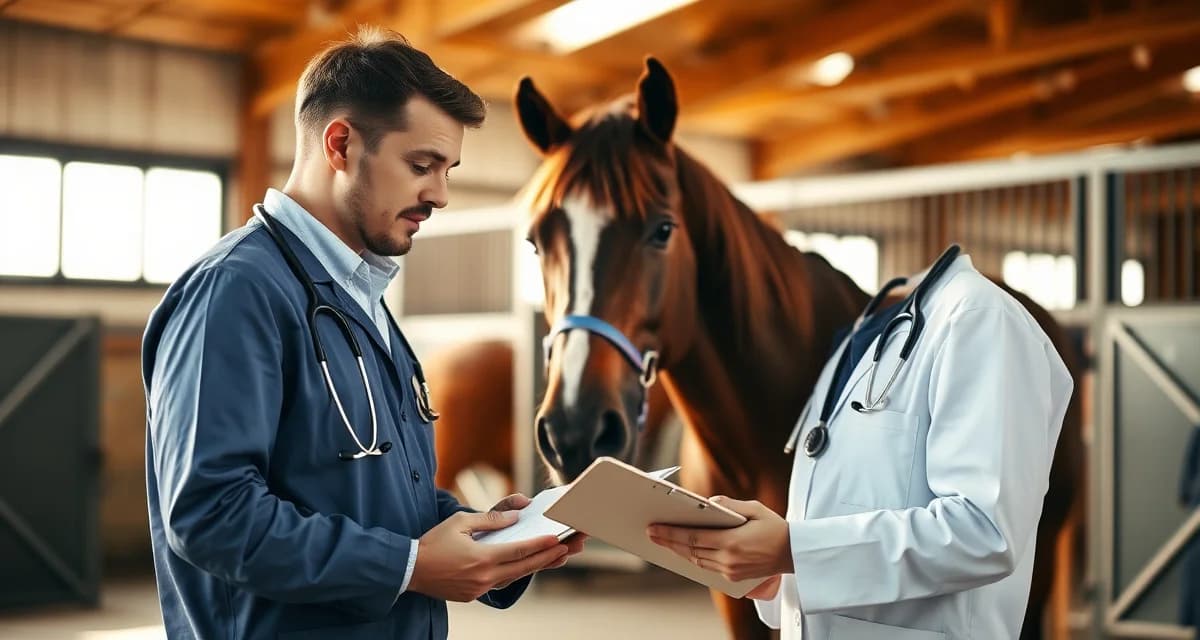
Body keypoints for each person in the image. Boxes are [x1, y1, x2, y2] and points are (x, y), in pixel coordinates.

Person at [142, 27, 583, 640]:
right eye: (421, 166)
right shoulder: (236, 290)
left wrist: (492, 534)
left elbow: (372, 490)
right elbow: (211, 514)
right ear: (341, 144)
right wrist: (410, 567)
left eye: (448, 170)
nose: (440, 195)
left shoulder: (358, 295)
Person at [647, 246, 1073, 638]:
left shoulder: (980, 317)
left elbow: (984, 533)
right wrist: (778, 576)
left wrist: (793, 550)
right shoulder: (861, 341)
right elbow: (846, 514)